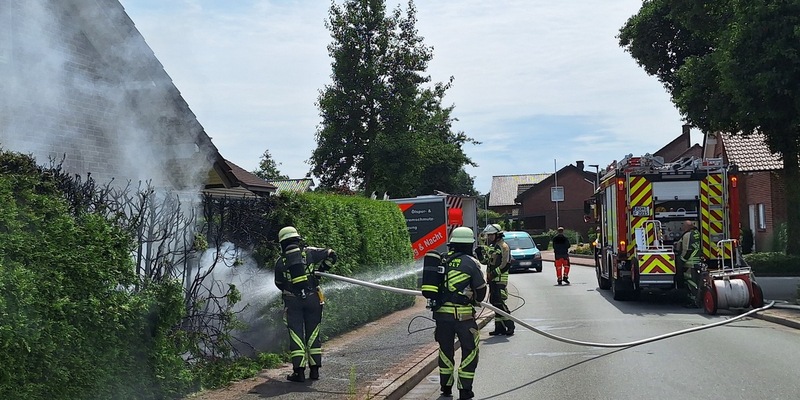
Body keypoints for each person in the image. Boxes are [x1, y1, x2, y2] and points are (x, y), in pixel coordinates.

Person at [273, 226, 337, 382]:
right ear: (297, 239)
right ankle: (314, 371)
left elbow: (278, 283)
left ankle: (299, 373)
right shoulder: (310, 253)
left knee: (296, 335)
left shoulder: (280, 262)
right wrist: (322, 270)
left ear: (282, 243)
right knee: (313, 333)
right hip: (312, 299)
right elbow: (332, 254)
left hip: (293, 301)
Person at [431, 226, 487, 400]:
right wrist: (475, 300)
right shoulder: (471, 262)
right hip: (464, 318)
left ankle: (446, 388)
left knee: (445, 351)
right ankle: (465, 390)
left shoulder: (441, 260)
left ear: (452, 244)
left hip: (442, 317)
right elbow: (481, 288)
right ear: (469, 245)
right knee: (470, 351)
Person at [477, 223, 515, 336]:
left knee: (499, 302)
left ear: (498, 235)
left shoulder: (504, 246)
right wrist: (479, 255)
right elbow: (486, 262)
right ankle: (499, 328)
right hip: (492, 280)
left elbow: (506, 264)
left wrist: (494, 273)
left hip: (500, 280)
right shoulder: (492, 247)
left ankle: (510, 324)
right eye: (488, 235)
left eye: (491, 235)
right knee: (494, 303)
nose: (489, 237)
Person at [675, 220, 702, 307]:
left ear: (687, 227)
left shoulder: (687, 235)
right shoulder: (697, 233)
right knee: (696, 281)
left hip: (690, 262)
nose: (682, 228)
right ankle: (697, 300)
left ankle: (694, 301)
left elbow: (687, 249)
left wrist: (681, 260)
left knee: (691, 282)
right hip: (697, 260)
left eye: (683, 226)